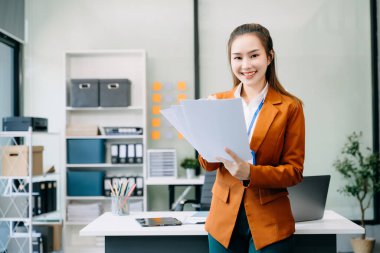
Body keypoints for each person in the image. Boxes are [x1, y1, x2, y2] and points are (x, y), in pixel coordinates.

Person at [198, 23, 305, 253]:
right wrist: (203, 130)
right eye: (237, 58)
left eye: (254, 55)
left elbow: (294, 172)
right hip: (223, 219)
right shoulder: (217, 102)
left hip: (269, 218)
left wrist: (250, 173)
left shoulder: (290, 107)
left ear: (269, 57)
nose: (245, 65)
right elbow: (208, 164)